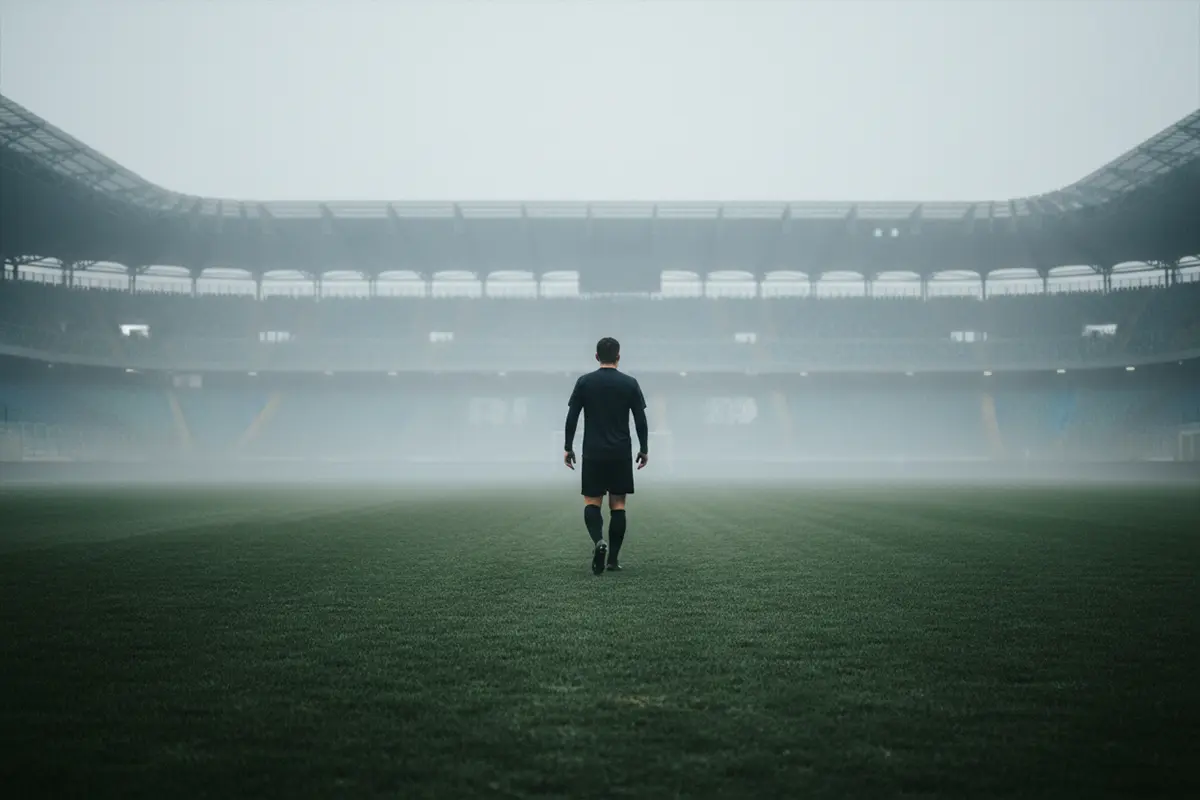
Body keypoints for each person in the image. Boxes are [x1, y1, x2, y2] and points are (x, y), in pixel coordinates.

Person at [563, 337, 649, 575]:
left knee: (592, 501)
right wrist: (644, 448)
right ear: (618, 357)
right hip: (620, 452)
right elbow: (640, 421)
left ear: (597, 357)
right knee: (618, 505)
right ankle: (612, 559)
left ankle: (598, 541)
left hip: (593, 451)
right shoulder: (630, 384)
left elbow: (572, 417)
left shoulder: (584, 382)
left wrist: (568, 446)